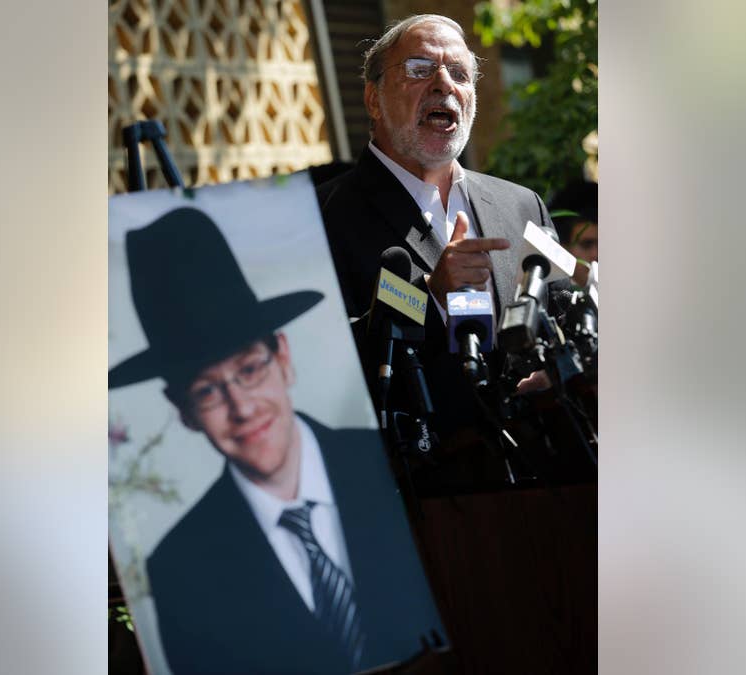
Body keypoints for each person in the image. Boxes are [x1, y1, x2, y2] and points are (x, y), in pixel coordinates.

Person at [108, 207, 444, 675]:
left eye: (249, 369)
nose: (241, 407)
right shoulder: (178, 568)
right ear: (182, 409)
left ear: (282, 358)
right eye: (207, 390)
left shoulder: (386, 468)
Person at [316, 14, 558, 437]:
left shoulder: (522, 206)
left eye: (460, 73)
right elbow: (314, 359)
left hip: (540, 471)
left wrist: (557, 371)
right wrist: (428, 295)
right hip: (419, 481)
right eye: (420, 69)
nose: (444, 84)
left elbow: (564, 312)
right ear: (373, 99)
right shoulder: (322, 216)